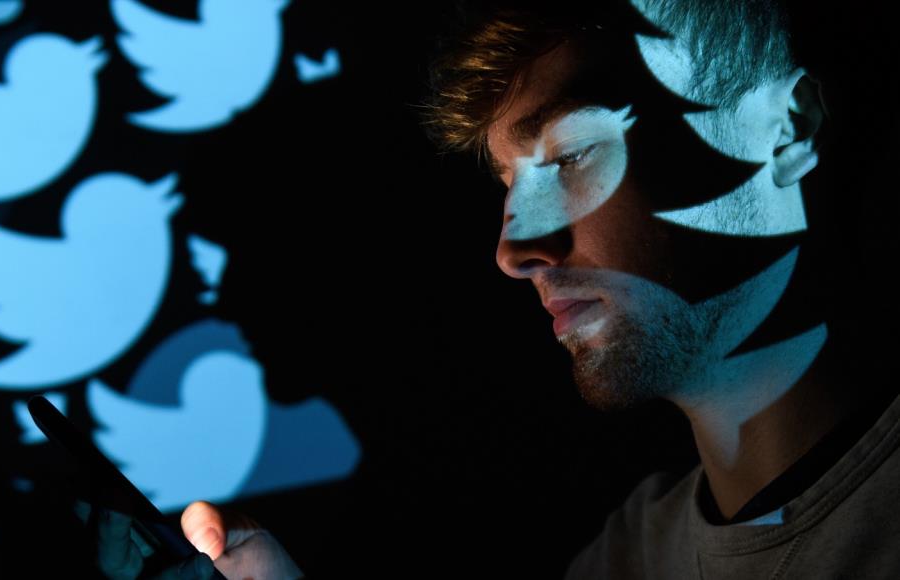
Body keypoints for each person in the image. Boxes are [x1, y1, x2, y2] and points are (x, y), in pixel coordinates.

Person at [80, 0, 899, 577]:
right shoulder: (631, 554)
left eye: (572, 156)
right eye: (510, 184)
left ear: (784, 130)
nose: (513, 249)